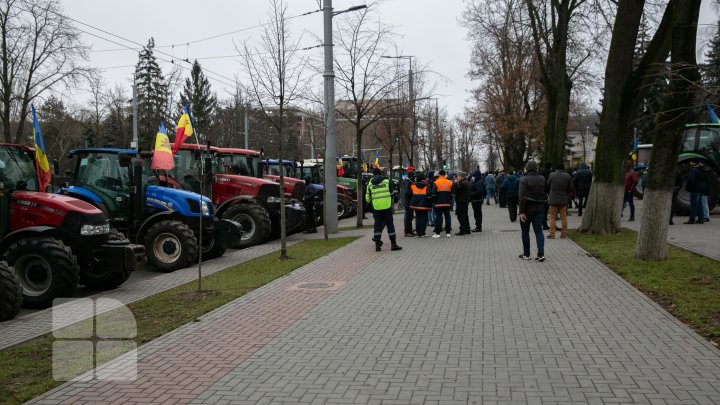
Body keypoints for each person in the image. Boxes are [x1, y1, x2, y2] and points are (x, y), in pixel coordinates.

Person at [366, 168, 401, 251]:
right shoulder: (387, 181)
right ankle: (393, 244)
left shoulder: (370, 183)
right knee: (390, 226)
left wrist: (372, 201)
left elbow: (367, 198)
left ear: (373, 174)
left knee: (377, 226)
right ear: (381, 173)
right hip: (387, 207)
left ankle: (377, 245)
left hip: (376, 207)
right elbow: (392, 193)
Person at [519, 161, 547, 261]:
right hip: (539, 208)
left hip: (527, 210)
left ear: (527, 168)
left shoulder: (524, 179)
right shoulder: (542, 178)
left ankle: (527, 254)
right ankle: (541, 254)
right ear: (536, 168)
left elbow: (521, 197)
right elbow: (545, 193)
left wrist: (521, 212)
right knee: (539, 231)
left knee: (525, 232)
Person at [547, 163, 573, 239]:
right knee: (563, 217)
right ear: (563, 168)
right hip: (563, 199)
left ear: (556, 168)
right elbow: (571, 187)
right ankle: (563, 234)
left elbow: (548, 184)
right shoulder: (567, 175)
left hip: (553, 199)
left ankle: (552, 234)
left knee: (552, 217)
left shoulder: (552, 175)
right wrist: (566, 193)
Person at [431, 169, 454, 238]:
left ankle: (437, 233)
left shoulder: (436, 183)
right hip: (447, 203)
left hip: (438, 204)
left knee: (438, 218)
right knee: (448, 217)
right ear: (445, 174)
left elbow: (433, 194)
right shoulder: (450, 182)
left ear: (439, 175)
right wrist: (449, 200)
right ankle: (448, 233)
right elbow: (452, 193)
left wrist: (434, 201)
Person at [409, 172, 432, 237]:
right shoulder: (427, 185)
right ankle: (422, 232)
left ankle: (418, 232)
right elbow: (429, 195)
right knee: (423, 218)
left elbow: (410, 193)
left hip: (415, 204)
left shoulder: (413, 185)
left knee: (417, 218)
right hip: (424, 204)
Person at [402, 167, 416, 236]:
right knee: (408, 217)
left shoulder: (407, 181)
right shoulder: (407, 182)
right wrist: (413, 191)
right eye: (413, 176)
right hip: (408, 202)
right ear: (411, 177)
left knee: (410, 217)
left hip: (408, 202)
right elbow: (407, 192)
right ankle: (407, 232)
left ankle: (410, 231)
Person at [540, 162, 553, 230]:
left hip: (541, 193)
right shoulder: (551, 174)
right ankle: (550, 225)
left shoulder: (540, 173)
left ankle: (543, 224)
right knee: (551, 210)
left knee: (543, 210)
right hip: (549, 193)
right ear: (550, 167)